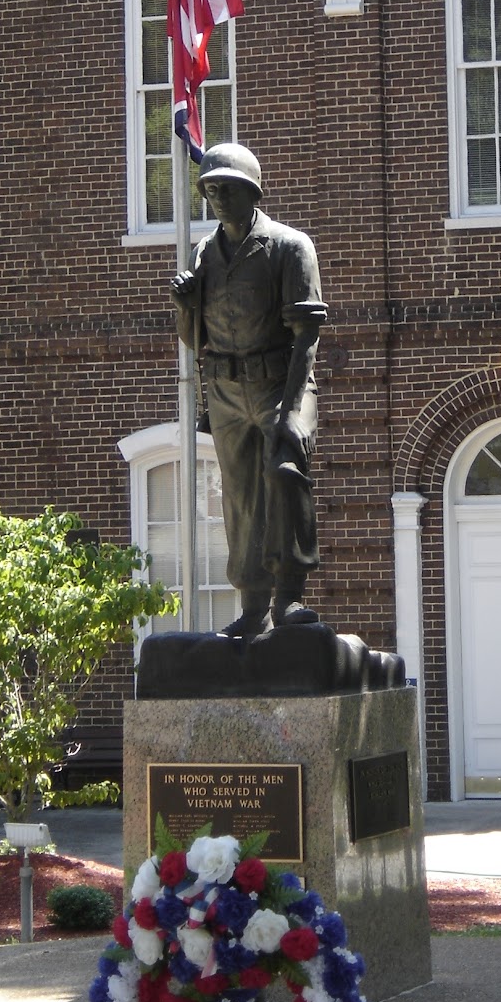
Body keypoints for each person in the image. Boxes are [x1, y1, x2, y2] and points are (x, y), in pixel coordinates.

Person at [171, 144, 327, 637]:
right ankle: (253, 605)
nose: (218, 197)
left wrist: (291, 410)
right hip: (223, 390)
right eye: (210, 189)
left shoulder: (289, 246)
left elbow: (306, 335)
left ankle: (289, 596)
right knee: (239, 499)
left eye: (227, 188)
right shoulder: (203, 253)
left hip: (281, 383)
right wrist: (184, 305)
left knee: (283, 473)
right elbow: (193, 337)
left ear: (252, 191)